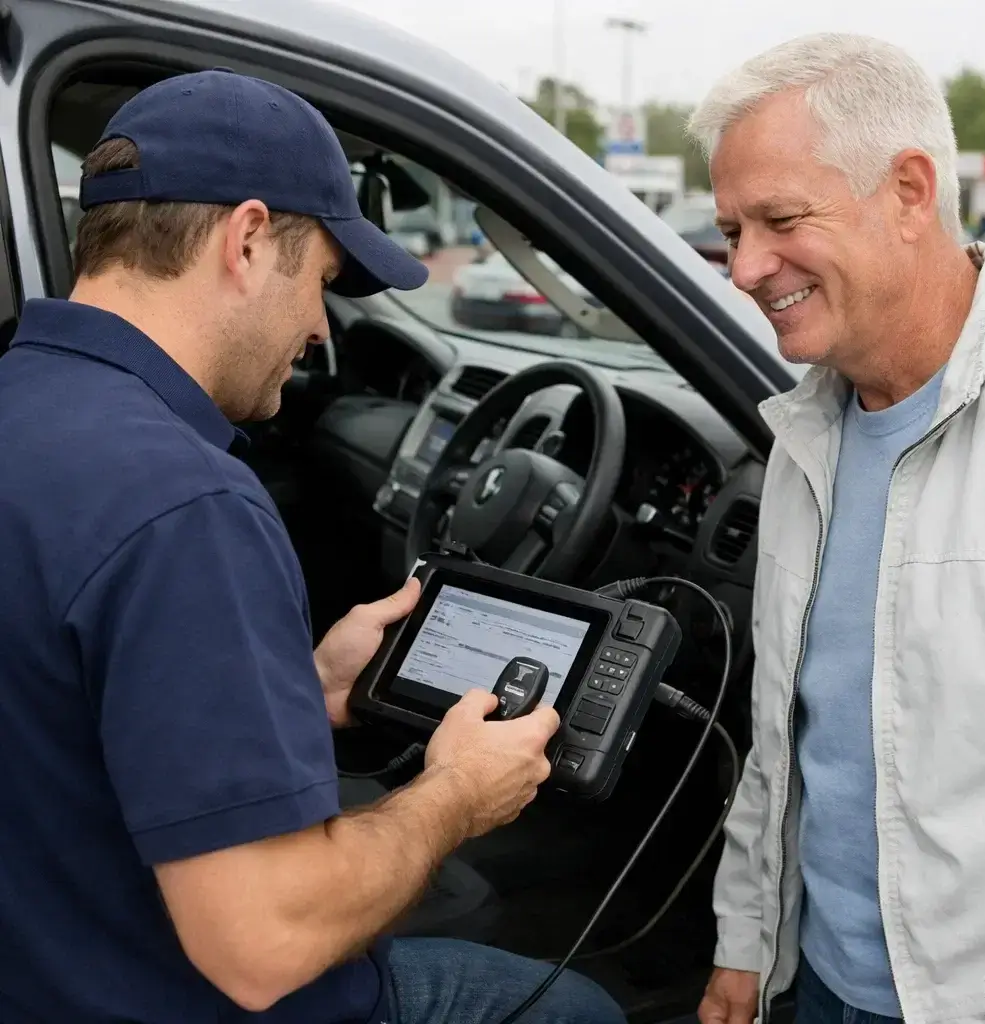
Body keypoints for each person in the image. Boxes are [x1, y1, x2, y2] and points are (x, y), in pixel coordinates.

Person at [0, 69, 627, 1024]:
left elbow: (59, 707)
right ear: (247, 239)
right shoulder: (185, 504)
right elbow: (266, 943)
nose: (316, 328)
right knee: (577, 1007)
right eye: (323, 281)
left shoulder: (25, 410)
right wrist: (457, 791)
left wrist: (293, 687)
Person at [684, 32, 985, 1024]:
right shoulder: (806, 431)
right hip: (816, 985)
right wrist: (744, 947)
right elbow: (785, 740)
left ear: (910, 190)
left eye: (779, 219)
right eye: (732, 230)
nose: (743, 267)